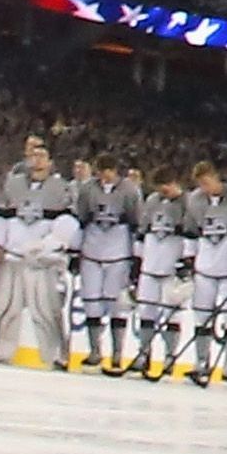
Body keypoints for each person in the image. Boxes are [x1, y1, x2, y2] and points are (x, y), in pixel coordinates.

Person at [0, 149, 75, 365]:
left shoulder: (61, 188)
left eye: (42, 156)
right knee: (4, 307)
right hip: (13, 257)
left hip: (41, 262)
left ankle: (56, 355)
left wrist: (47, 246)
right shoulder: (13, 184)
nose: (37, 160)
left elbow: (68, 223)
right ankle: (1, 349)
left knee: (46, 312)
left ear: (50, 162)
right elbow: (2, 216)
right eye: (33, 156)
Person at [182, 162, 227, 386]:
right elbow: (191, 232)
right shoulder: (195, 200)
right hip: (205, 267)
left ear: (216, 177)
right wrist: (188, 261)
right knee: (201, 315)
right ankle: (201, 362)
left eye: (206, 182)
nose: (204, 188)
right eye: (200, 184)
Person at [70, 158, 142, 375]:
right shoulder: (88, 189)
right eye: (102, 171)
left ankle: (118, 353)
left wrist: (135, 256)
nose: (106, 176)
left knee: (117, 303)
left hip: (118, 251)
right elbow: (81, 217)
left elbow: (135, 220)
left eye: (109, 171)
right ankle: (95, 351)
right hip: (93, 248)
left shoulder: (129, 190)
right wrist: (76, 250)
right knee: (91, 299)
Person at [125, 168, 188, 379]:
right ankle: (144, 354)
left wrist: (186, 262)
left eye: (166, 187)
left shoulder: (188, 203)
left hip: (172, 268)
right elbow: (142, 232)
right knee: (146, 311)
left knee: (172, 313)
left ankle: (170, 357)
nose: (164, 192)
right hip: (150, 266)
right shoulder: (152, 201)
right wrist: (137, 261)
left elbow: (192, 235)